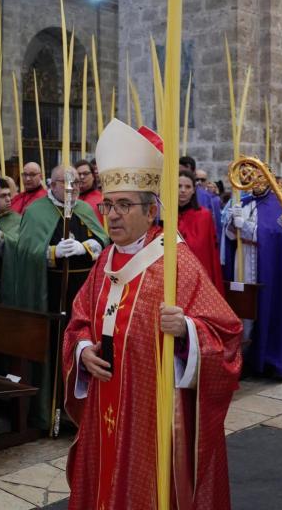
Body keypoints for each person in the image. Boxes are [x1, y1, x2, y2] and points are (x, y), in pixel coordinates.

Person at [64, 119, 242, 509]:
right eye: (108, 204)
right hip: (104, 403)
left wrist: (187, 331)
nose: (111, 215)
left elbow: (227, 337)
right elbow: (78, 321)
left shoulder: (175, 263)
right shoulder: (105, 259)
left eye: (124, 205)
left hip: (153, 413)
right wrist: (82, 352)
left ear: (151, 211)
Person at [0, 164, 108, 430]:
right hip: (49, 294)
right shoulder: (37, 211)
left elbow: (103, 240)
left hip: (82, 295)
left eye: (77, 185)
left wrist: (87, 246)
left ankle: (80, 408)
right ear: (53, 183)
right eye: (66, 184)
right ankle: (51, 409)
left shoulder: (83, 209)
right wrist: (52, 253)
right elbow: (24, 251)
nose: (73, 190)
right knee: (54, 349)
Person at [225, 169, 282, 377]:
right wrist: (233, 225)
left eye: (260, 178)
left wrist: (248, 226)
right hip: (243, 263)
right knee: (244, 309)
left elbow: (276, 233)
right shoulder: (242, 203)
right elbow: (231, 238)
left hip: (269, 266)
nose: (256, 184)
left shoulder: (280, 203)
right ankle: (244, 358)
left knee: (267, 307)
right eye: (250, 179)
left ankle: (268, 359)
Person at [177, 169, 224, 294]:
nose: (182, 190)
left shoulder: (204, 216)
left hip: (196, 274)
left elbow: (206, 251)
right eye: (179, 186)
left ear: (193, 190)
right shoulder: (165, 217)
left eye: (187, 187)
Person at [181, 157, 222, 236]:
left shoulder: (211, 198)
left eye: (202, 180)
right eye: (197, 179)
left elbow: (216, 225)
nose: (199, 182)